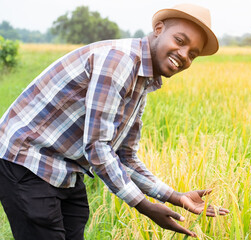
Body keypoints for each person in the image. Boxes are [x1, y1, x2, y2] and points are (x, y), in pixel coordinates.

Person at [0, 4, 229, 239]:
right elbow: (97, 147)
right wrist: (144, 206)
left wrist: (175, 197)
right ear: (159, 29)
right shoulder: (119, 61)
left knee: (76, 218)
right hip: (27, 158)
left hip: (65, 167)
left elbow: (124, 156)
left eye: (192, 54)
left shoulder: (143, 80)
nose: (184, 54)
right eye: (180, 40)